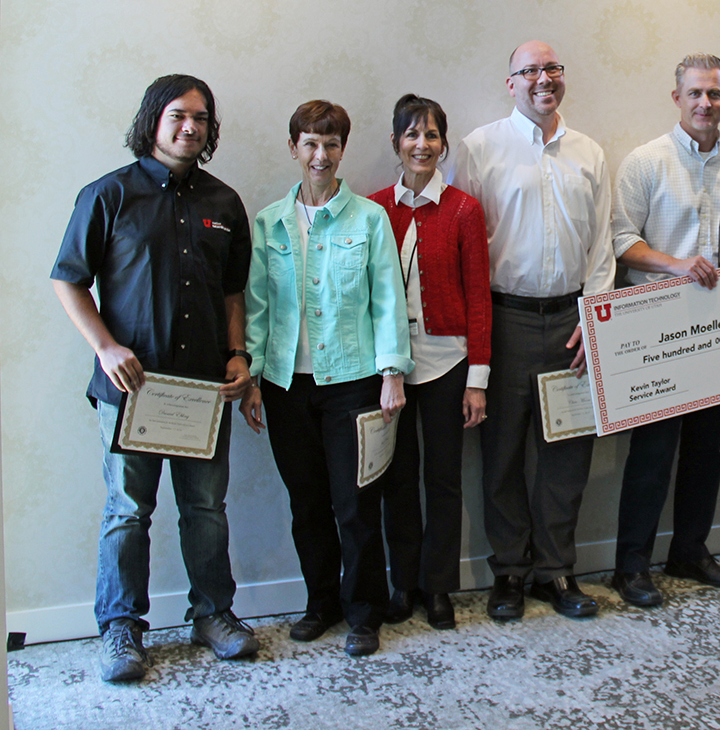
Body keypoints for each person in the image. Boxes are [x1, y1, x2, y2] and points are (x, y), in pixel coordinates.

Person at [51, 74, 259, 682]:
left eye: (200, 118)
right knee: (127, 511)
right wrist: (106, 347)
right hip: (130, 389)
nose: (189, 126)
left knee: (205, 509)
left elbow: (232, 291)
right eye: (177, 115)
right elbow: (69, 279)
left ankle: (214, 615)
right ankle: (121, 630)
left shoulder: (224, 204)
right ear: (153, 120)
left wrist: (238, 355)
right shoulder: (108, 195)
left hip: (202, 391)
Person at [449, 40, 616, 620]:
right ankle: (510, 574)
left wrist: (594, 316)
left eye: (552, 69)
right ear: (510, 82)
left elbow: (601, 246)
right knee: (502, 455)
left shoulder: (590, 152)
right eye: (530, 71)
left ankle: (557, 571)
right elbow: (464, 242)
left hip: (572, 320)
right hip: (505, 319)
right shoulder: (479, 148)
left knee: (567, 453)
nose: (543, 79)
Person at [240, 100, 412, 657]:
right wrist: (254, 380)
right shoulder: (269, 222)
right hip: (288, 387)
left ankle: (364, 611)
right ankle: (322, 604)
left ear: (343, 149)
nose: (321, 155)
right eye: (310, 143)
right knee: (307, 503)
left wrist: (393, 372)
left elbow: (388, 300)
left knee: (355, 504)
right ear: (294, 148)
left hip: (354, 382)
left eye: (331, 144)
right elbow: (258, 307)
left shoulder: (368, 219)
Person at [608, 54, 720, 607]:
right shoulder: (644, 163)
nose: (706, 103)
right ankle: (630, 565)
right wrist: (677, 265)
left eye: (715, 95)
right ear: (676, 97)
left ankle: (690, 550)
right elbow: (621, 241)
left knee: (708, 449)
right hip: (657, 329)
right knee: (652, 453)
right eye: (695, 93)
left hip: (719, 329)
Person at [368, 94, 491, 632]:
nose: (422, 145)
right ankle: (404, 583)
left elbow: (479, 298)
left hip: (449, 364)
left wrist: (478, 380)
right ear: (396, 142)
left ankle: (439, 586)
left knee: (443, 480)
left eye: (432, 135)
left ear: (444, 143)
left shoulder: (464, 209)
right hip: (389, 368)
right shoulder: (373, 209)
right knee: (395, 480)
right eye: (412, 134)